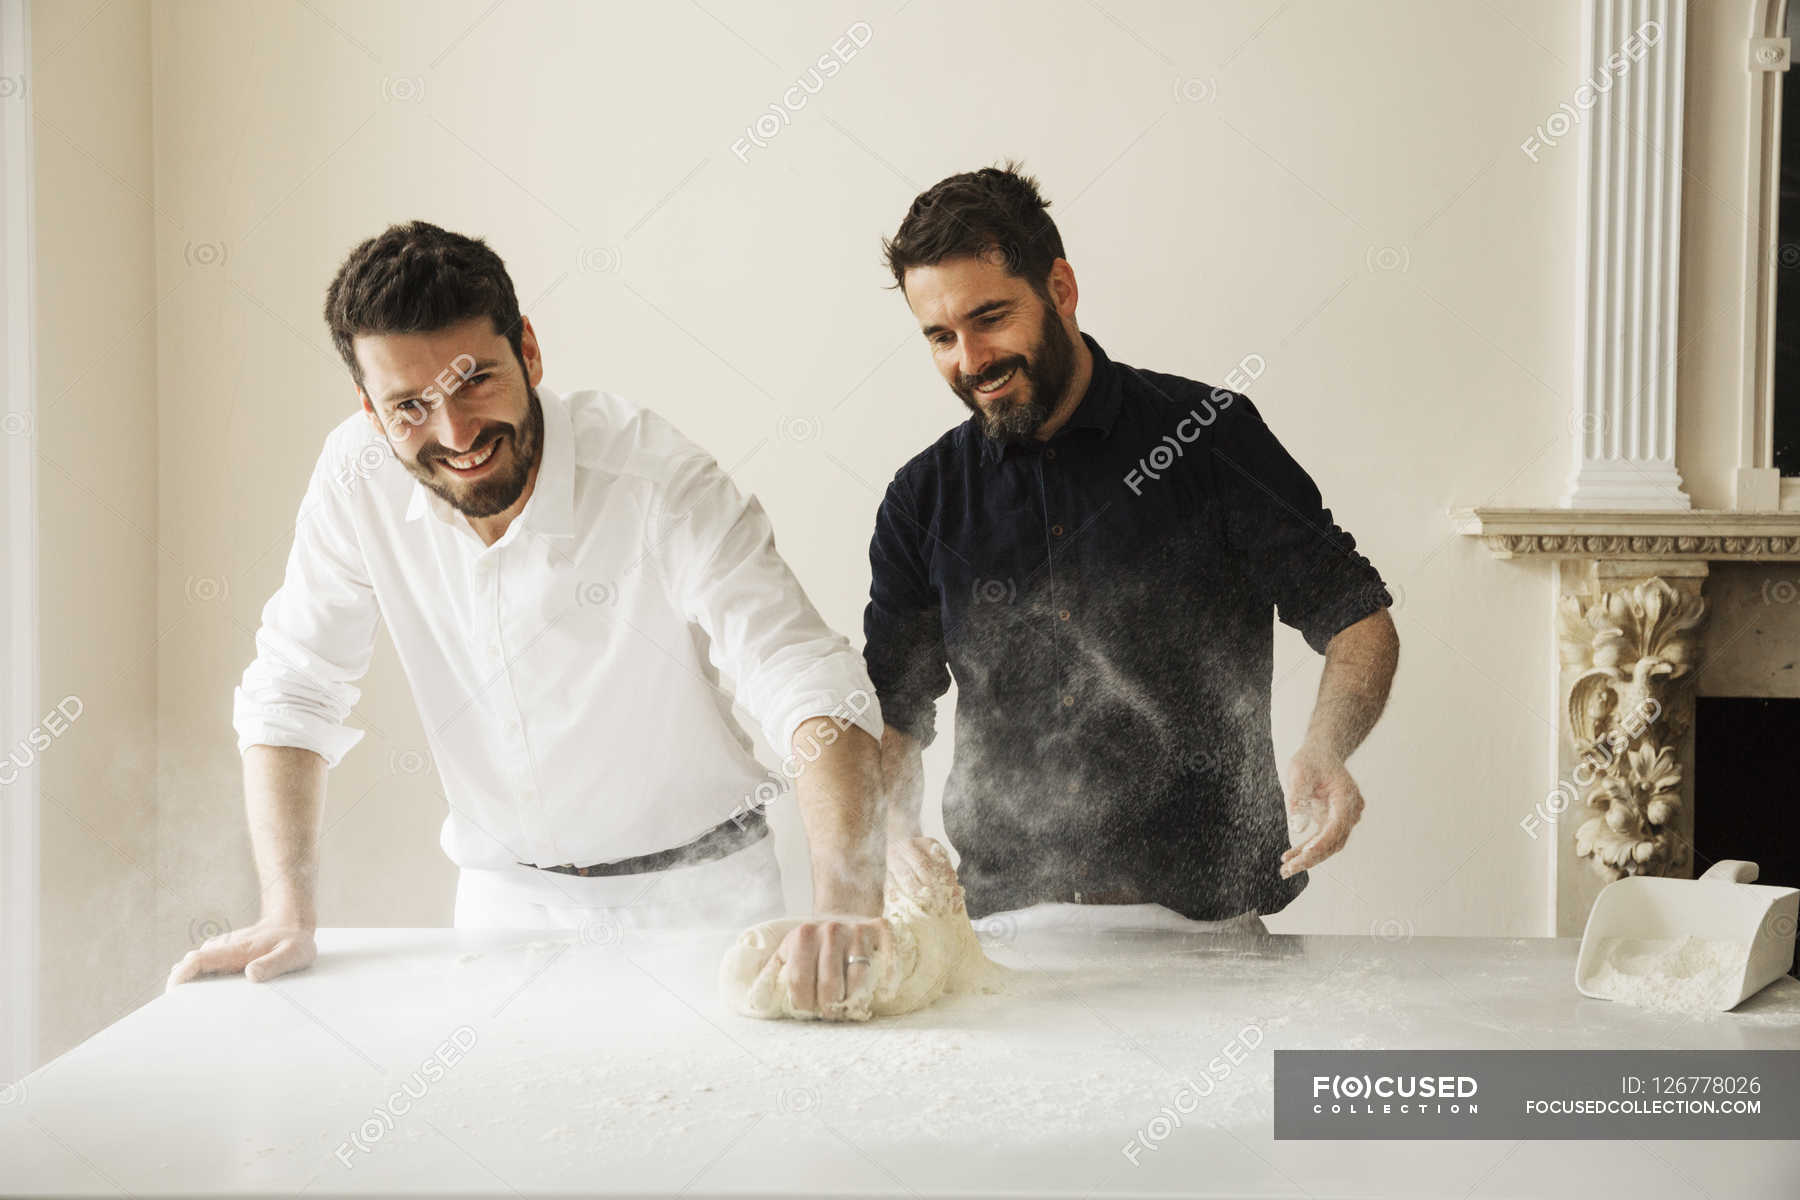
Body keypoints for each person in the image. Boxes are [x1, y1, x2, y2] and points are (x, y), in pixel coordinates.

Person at [168, 221, 888, 1018]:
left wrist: (848, 907)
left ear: (530, 353)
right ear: (371, 413)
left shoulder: (657, 480)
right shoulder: (354, 477)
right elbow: (293, 690)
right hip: (501, 910)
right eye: (409, 406)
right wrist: (286, 910)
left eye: (473, 380)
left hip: (701, 903)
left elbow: (805, 680)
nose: (456, 434)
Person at [865, 164, 1400, 925]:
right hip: (1003, 929)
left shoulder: (1209, 436)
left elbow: (1357, 617)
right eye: (941, 336)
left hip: (1210, 926)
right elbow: (893, 710)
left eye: (990, 318)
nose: (971, 359)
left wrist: (1327, 748)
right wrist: (890, 835)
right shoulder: (922, 499)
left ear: (1061, 289)